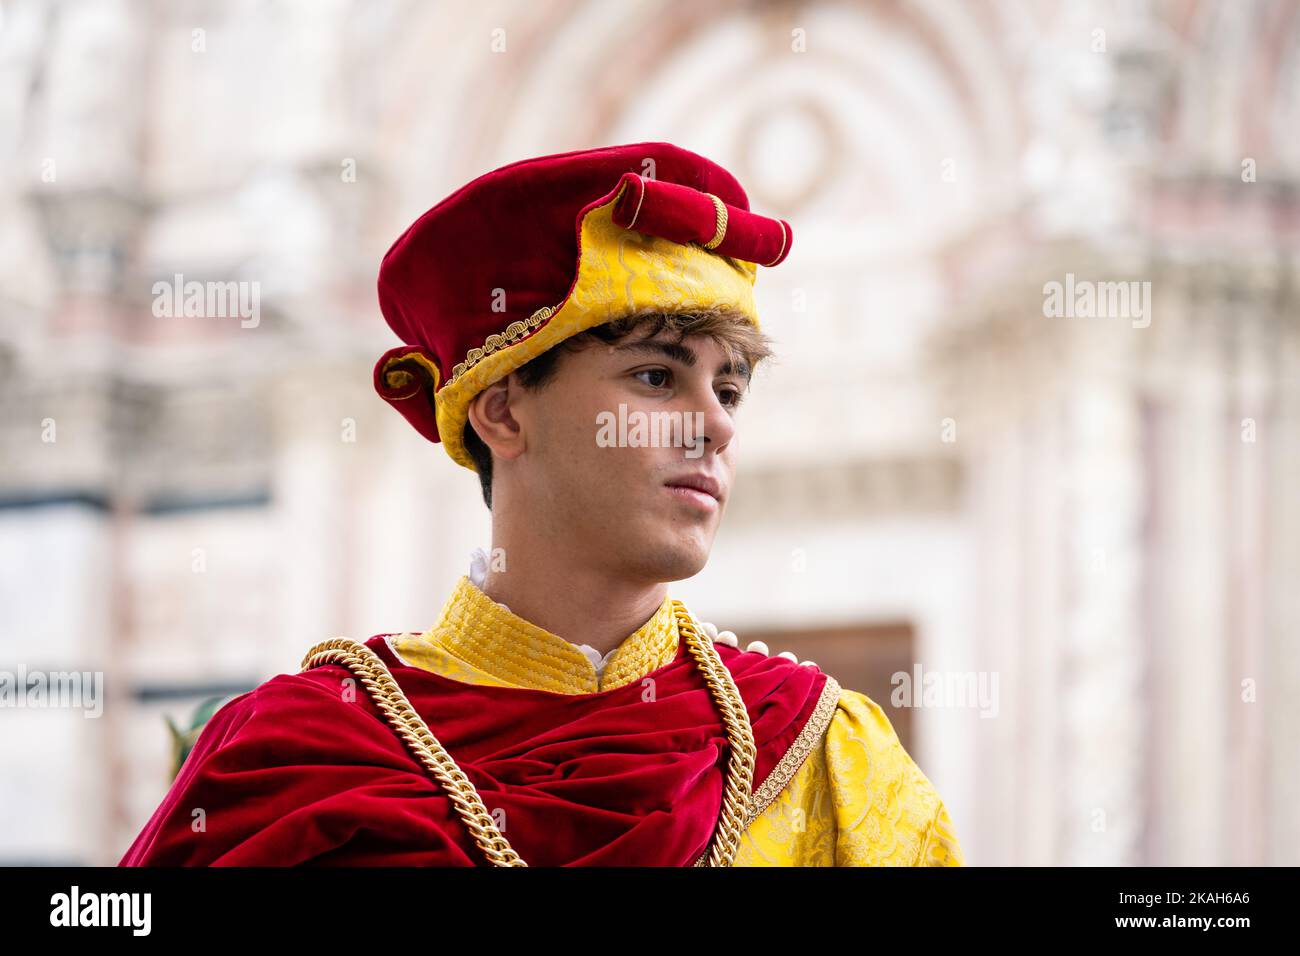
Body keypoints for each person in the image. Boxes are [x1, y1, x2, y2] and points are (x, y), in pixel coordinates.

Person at [119, 142, 964, 867]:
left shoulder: (826, 756)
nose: (714, 426)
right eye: (657, 377)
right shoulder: (286, 761)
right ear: (504, 408)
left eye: (731, 389)